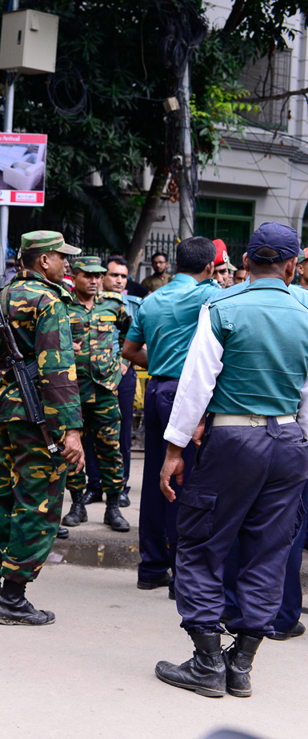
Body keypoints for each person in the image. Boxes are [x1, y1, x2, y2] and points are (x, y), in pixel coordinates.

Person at [154, 222, 308, 699]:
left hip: (233, 439)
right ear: (291, 266)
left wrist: (174, 451)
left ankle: (206, 662)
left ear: (244, 263)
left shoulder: (222, 305)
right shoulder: (306, 310)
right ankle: (240, 664)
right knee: (270, 552)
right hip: (289, 440)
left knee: (200, 543)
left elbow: (196, 383)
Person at [0, 231, 85, 626]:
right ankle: (13, 598)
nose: (66, 264)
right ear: (43, 261)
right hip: (37, 418)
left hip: (4, 413)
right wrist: (70, 429)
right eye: (61, 257)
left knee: (2, 499)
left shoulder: (1, 297)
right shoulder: (49, 301)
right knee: (37, 504)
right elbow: (58, 370)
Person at [121, 237, 217, 595]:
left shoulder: (150, 300)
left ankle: (151, 567)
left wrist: (160, 363)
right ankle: (183, 574)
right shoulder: (208, 296)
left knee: (154, 478)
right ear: (209, 268)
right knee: (185, 482)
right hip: (187, 394)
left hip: (158, 388)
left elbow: (129, 349)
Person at [61, 257, 130, 532]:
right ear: (75, 276)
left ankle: (113, 508)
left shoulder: (113, 304)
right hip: (73, 390)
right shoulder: (64, 305)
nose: (93, 280)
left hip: (104, 390)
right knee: (73, 450)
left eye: (97, 276)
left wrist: (123, 361)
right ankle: (77, 504)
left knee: (110, 450)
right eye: (87, 275)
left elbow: (131, 332)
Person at [84, 255, 142, 505]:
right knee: (90, 433)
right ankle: (94, 485)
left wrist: (123, 364)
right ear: (101, 276)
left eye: (123, 276)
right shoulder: (86, 303)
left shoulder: (134, 305)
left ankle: (120, 489)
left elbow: (136, 338)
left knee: (122, 434)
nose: (119, 280)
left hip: (122, 376)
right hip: (92, 379)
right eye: (114, 275)